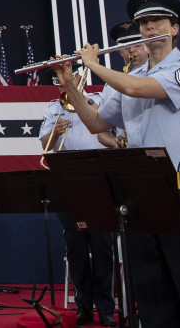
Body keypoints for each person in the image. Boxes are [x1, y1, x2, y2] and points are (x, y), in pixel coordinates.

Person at [54, 0, 180, 328]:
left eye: (157, 21)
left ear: (174, 28)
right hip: (141, 186)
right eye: (143, 23)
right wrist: (71, 88)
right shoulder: (131, 76)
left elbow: (139, 90)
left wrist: (94, 65)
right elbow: (99, 123)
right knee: (149, 284)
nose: (149, 28)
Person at [38, 84, 117, 326]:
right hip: (68, 176)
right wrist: (55, 132)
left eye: (71, 81)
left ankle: (105, 307)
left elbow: (112, 126)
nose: (66, 87)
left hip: (99, 173)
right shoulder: (54, 107)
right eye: (62, 83)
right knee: (75, 245)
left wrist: (85, 102)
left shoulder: (99, 99)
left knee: (102, 245)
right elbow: (45, 144)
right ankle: (83, 305)